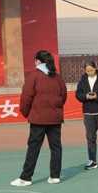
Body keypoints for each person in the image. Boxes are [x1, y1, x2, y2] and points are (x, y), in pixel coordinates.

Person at [11, 50, 67, 186]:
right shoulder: (57, 77)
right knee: (56, 147)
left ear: (38, 61)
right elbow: (63, 95)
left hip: (38, 118)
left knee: (33, 148)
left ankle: (26, 178)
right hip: (55, 118)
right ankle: (55, 176)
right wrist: (56, 108)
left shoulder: (34, 76)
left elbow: (26, 97)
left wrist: (26, 113)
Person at [75, 61, 98, 170]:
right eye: (87, 71)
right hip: (88, 113)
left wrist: (97, 96)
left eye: (91, 70)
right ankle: (92, 160)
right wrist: (86, 96)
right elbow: (78, 95)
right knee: (90, 138)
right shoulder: (82, 80)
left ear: (95, 68)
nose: (89, 72)